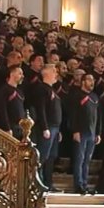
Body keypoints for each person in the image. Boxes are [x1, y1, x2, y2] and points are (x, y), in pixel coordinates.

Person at [30, 65, 62, 193]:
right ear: (46, 73)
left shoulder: (52, 90)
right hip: (47, 127)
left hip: (54, 128)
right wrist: (44, 127)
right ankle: (38, 182)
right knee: (42, 156)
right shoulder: (41, 88)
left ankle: (48, 182)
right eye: (54, 71)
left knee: (51, 157)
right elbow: (41, 109)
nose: (56, 73)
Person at [70, 73, 100, 195]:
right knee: (79, 159)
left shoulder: (95, 97)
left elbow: (98, 117)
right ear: (83, 82)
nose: (92, 82)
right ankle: (78, 184)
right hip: (81, 132)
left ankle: (85, 183)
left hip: (92, 133)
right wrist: (75, 130)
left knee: (87, 160)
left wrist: (98, 132)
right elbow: (73, 115)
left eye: (93, 80)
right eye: (89, 80)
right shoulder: (76, 96)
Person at [0, 65, 26, 139]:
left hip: (20, 128)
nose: (22, 76)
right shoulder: (3, 90)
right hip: (10, 127)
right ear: (12, 74)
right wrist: (7, 128)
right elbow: (2, 110)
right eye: (20, 73)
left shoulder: (20, 92)